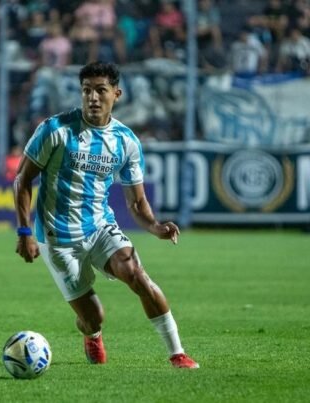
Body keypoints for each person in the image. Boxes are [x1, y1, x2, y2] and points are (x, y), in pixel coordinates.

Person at [12, 61, 199, 369]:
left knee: (137, 274)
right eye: (87, 90)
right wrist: (24, 232)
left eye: (101, 90)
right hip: (58, 238)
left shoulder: (126, 141)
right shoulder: (55, 130)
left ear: (117, 94)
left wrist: (155, 227)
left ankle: (177, 353)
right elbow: (22, 180)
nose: (93, 97)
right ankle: (92, 334)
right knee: (93, 316)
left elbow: (137, 203)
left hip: (100, 227)